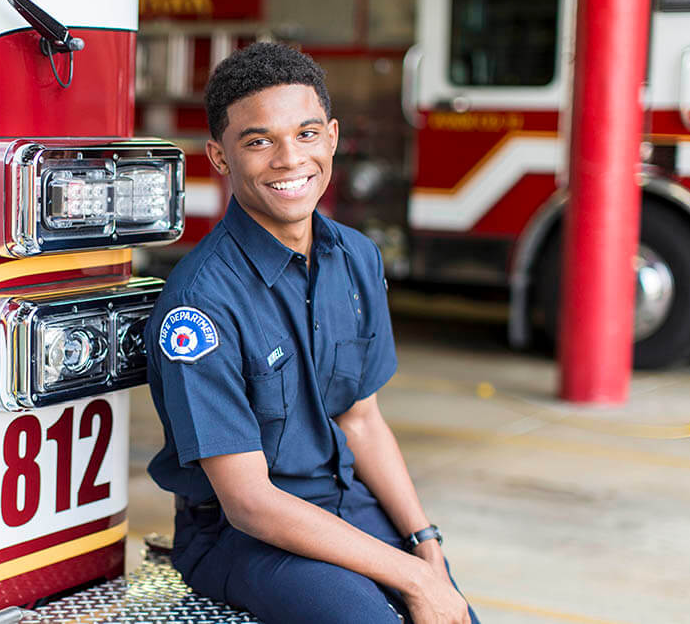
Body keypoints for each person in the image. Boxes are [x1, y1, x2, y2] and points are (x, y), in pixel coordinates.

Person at [144, 43, 479, 624]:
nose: (287, 159)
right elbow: (249, 503)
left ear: (331, 137)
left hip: (349, 505)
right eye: (257, 141)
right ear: (219, 158)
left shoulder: (356, 257)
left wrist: (427, 547)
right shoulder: (198, 305)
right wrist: (411, 578)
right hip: (244, 537)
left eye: (304, 134)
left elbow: (362, 420)